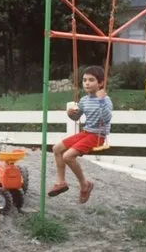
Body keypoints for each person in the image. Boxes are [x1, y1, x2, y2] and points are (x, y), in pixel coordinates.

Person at [48, 65, 112, 204]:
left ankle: (84, 184)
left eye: (91, 80)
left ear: (100, 83)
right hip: (86, 133)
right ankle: (61, 182)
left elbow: (106, 118)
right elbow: (76, 118)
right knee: (56, 148)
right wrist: (70, 114)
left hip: (97, 136)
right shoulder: (84, 100)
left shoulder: (105, 99)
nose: (87, 83)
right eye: (84, 80)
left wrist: (101, 101)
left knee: (67, 156)